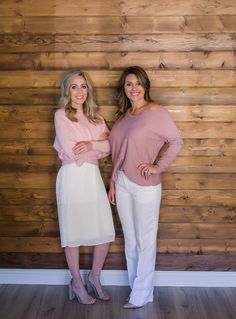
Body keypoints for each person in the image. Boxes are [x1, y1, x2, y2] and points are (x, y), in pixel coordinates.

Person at [108, 66, 183, 309]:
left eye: (138, 83)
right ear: (124, 88)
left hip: (145, 186)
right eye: (129, 84)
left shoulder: (157, 112)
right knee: (130, 240)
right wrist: (112, 183)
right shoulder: (124, 117)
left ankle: (141, 294)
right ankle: (138, 291)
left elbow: (176, 141)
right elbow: (117, 153)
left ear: (145, 86)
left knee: (145, 240)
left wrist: (157, 167)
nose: (134, 88)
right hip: (121, 182)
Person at [53, 70, 115, 305]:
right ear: (67, 91)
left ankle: (95, 278)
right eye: (74, 87)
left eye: (83, 86)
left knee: (104, 230)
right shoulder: (61, 116)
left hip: (92, 176)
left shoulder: (97, 118)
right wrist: (97, 148)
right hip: (72, 177)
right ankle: (76, 283)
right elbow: (70, 151)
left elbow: (110, 147)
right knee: (73, 233)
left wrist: (90, 144)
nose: (79, 92)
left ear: (88, 90)